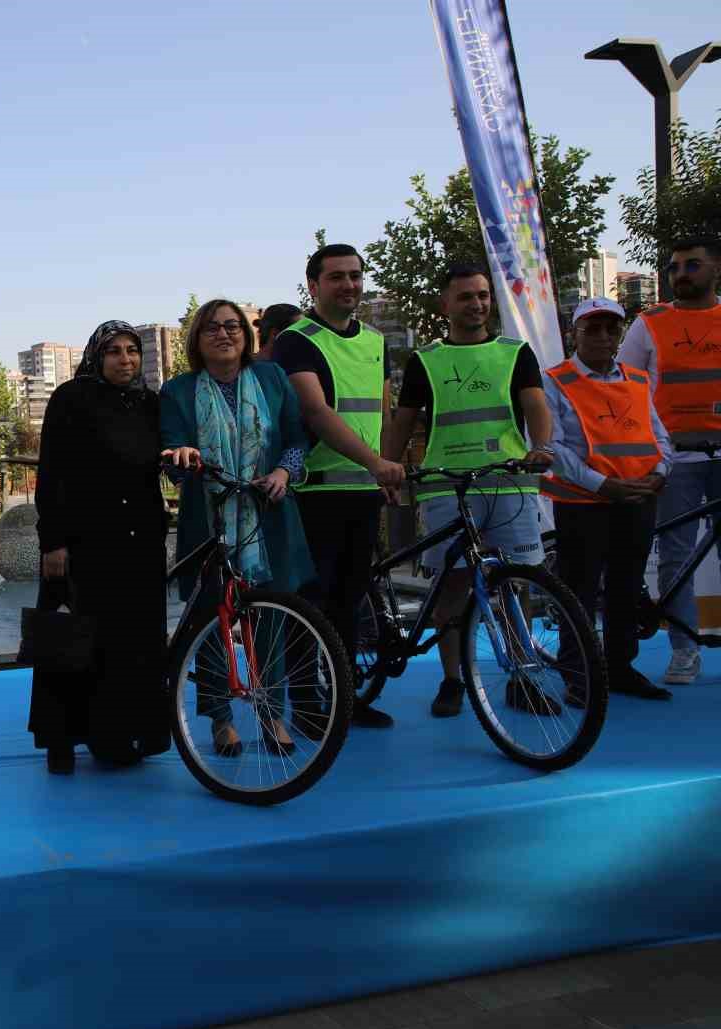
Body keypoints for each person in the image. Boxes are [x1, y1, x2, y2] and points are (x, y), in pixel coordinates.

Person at [381, 264, 553, 718]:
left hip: (509, 482)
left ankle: (522, 674)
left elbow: (535, 404)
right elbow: (404, 418)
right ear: (446, 305)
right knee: (452, 587)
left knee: (516, 585)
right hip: (445, 487)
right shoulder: (427, 359)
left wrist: (543, 448)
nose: (476, 304)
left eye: (482, 295)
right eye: (465, 297)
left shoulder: (516, 352)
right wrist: (388, 468)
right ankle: (453, 679)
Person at [160, 300, 314, 754]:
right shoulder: (178, 390)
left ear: (247, 335)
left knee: (272, 618)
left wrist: (284, 472)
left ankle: (272, 716)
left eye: (233, 326)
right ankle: (220, 720)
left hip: (269, 516)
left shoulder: (272, 378)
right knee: (209, 619)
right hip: (207, 519)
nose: (224, 334)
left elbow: (296, 436)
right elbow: (171, 450)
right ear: (197, 339)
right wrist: (181, 457)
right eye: (212, 328)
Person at [30, 320, 178, 774]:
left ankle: (126, 734)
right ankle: (61, 739)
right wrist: (52, 542)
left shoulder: (149, 404)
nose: (125, 359)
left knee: (134, 645)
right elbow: (52, 471)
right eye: (114, 351)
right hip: (85, 543)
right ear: (98, 355)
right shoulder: (72, 399)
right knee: (73, 641)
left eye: (132, 350)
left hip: (138, 541)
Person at [272, 244, 405, 728]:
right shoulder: (297, 339)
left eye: (355, 275)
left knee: (351, 602)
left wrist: (386, 466)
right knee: (313, 602)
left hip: (363, 493)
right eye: (336, 277)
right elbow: (315, 410)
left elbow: (383, 409)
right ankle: (307, 704)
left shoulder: (374, 340)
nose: (349, 285)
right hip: (315, 493)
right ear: (313, 285)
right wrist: (375, 462)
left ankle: (346, 699)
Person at [543, 297, 673, 700]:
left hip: (636, 501)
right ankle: (577, 675)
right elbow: (553, 447)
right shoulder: (554, 380)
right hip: (584, 505)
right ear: (574, 334)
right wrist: (603, 485)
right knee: (577, 592)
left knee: (626, 588)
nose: (603, 336)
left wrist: (658, 474)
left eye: (610, 328)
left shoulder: (636, 379)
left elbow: (659, 436)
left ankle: (620, 669)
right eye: (592, 328)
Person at [618, 235, 721, 685]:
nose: (681, 275)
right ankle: (684, 650)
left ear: (715, 268)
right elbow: (623, 386)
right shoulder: (650, 323)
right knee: (674, 557)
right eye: (675, 267)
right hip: (675, 460)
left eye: (692, 266)